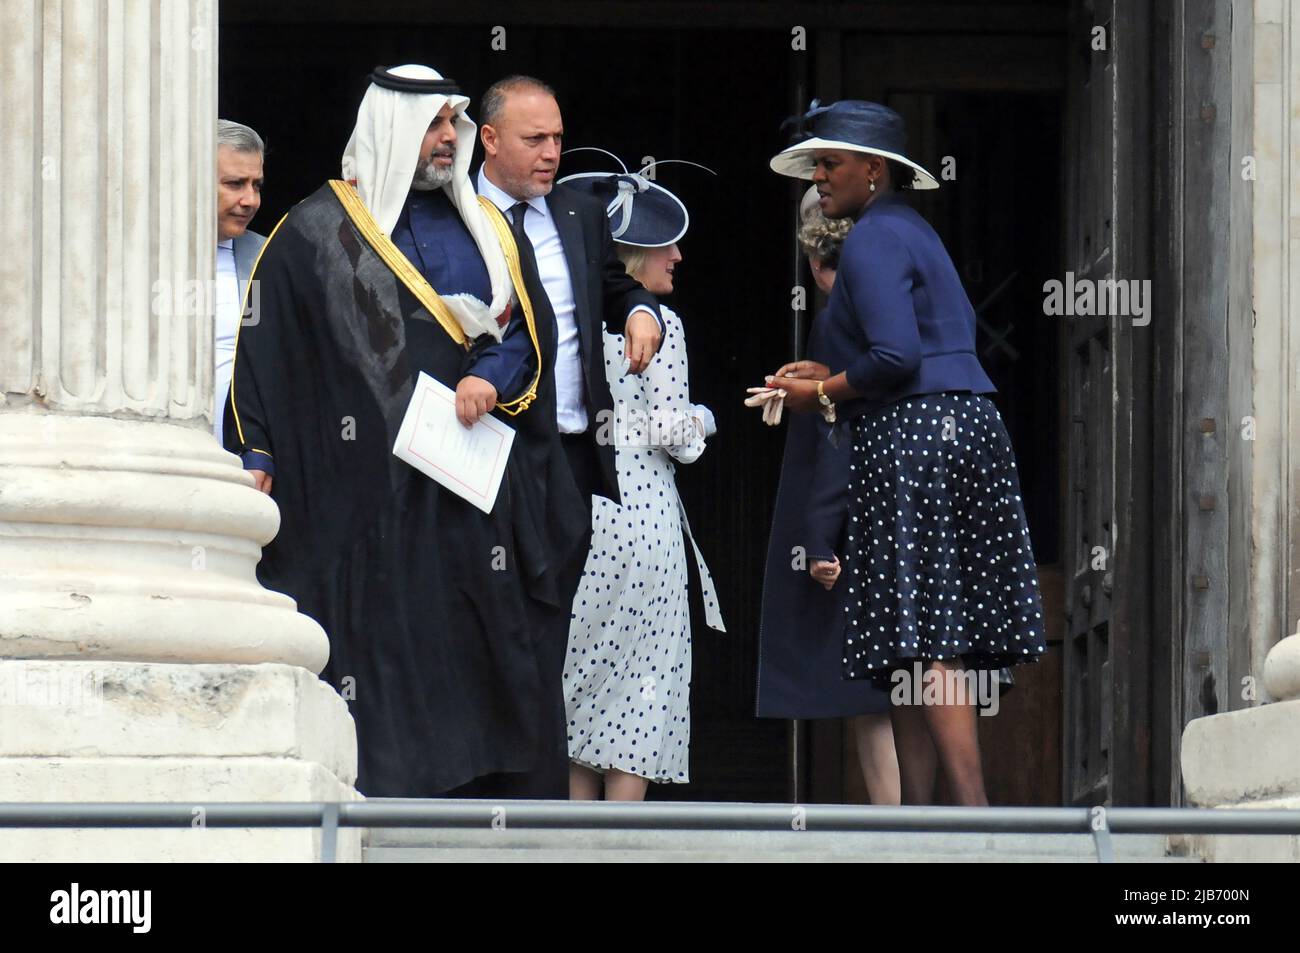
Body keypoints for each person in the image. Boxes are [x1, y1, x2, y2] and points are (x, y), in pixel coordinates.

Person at [224, 64, 558, 797]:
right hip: (365, 499)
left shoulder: (488, 226)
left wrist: (488, 377)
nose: (449, 140)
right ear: (394, 129)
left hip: (467, 493)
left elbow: (528, 335)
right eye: (435, 125)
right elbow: (265, 349)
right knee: (377, 661)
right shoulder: (315, 229)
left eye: (453, 125)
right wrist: (255, 450)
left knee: (478, 652)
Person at [762, 100, 1047, 806]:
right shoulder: (906, 228)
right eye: (818, 163)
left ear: (875, 170)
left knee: (931, 633)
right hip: (961, 427)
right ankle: (917, 823)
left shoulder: (870, 240)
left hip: (918, 436)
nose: (820, 177)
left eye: (831, 163)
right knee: (909, 637)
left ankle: (974, 819)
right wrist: (823, 379)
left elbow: (894, 356)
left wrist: (819, 391)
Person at [474, 76, 665, 797]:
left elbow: (613, 286)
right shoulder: (453, 216)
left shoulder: (579, 213)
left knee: (549, 628)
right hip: (485, 453)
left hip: (569, 455)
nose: (553, 153)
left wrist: (640, 308)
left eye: (557, 137)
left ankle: (537, 799)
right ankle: (482, 795)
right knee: (489, 627)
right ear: (489, 140)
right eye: (535, 140)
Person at [557, 156, 726, 800]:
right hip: (644, 521)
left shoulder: (568, 323)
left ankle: (571, 845)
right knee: (639, 686)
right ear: (630, 257)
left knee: (581, 682)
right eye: (664, 246)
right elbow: (671, 435)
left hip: (582, 513)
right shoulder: (659, 324)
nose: (678, 255)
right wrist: (708, 419)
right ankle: (619, 840)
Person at [754, 186, 900, 805]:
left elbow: (836, 439)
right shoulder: (890, 309)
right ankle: (907, 828)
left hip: (857, 518)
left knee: (871, 691)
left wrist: (819, 539)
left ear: (815, 262)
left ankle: (900, 828)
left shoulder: (840, 317)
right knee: (894, 684)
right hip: (899, 506)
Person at [213, 120, 265, 447]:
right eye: (235, 183)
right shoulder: (140, 258)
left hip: (245, 464)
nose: (250, 200)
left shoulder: (267, 257)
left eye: (257, 185)